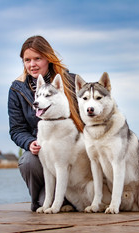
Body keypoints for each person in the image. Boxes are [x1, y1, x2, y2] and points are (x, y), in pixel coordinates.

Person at [8, 35, 84, 211]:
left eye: (37, 58)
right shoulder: (17, 89)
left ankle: (71, 197)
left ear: (48, 58)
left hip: (73, 149)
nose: (32, 64)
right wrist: (29, 142)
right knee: (27, 161)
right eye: (27, 60)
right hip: (42, 149)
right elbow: (17, 129)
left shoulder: (70, 81)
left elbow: (90, 113)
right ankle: (39, 201)